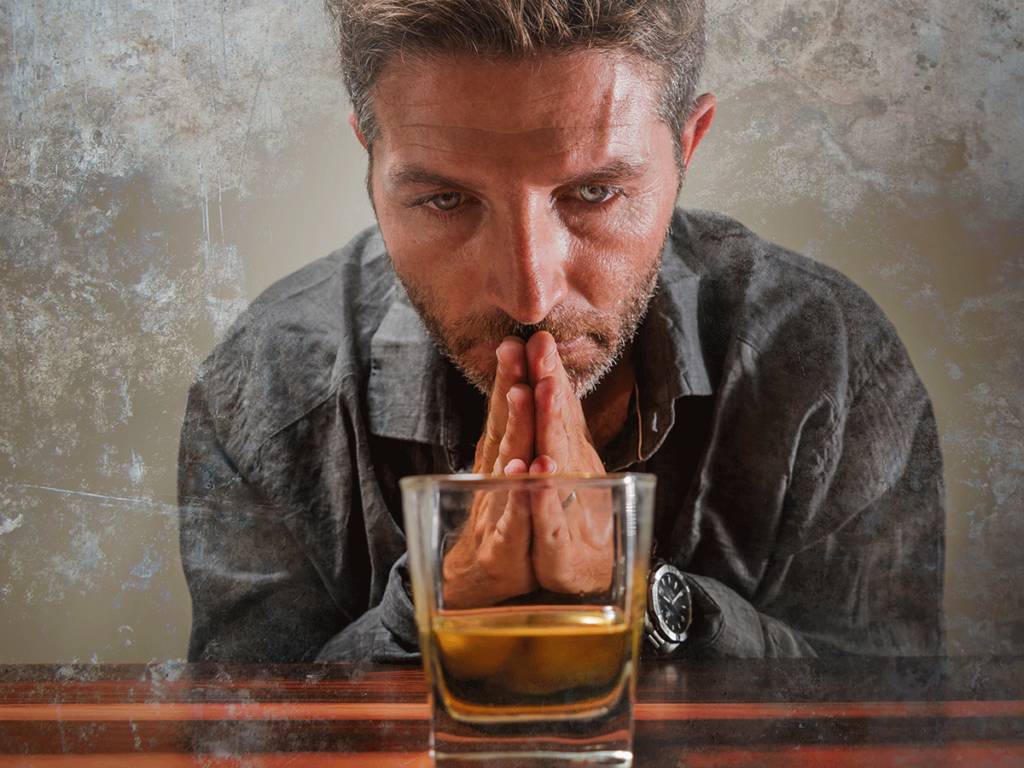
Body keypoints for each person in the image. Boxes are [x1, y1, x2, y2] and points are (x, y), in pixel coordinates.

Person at [178, 0, 944, 663]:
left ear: (688, 144)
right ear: (371, 159)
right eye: (445, 200)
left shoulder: (830, 361)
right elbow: (243, 737)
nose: (529, 292)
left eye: (595, 192)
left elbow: (892, 721)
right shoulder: (264, 386)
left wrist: (636, 591)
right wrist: (433, 607)